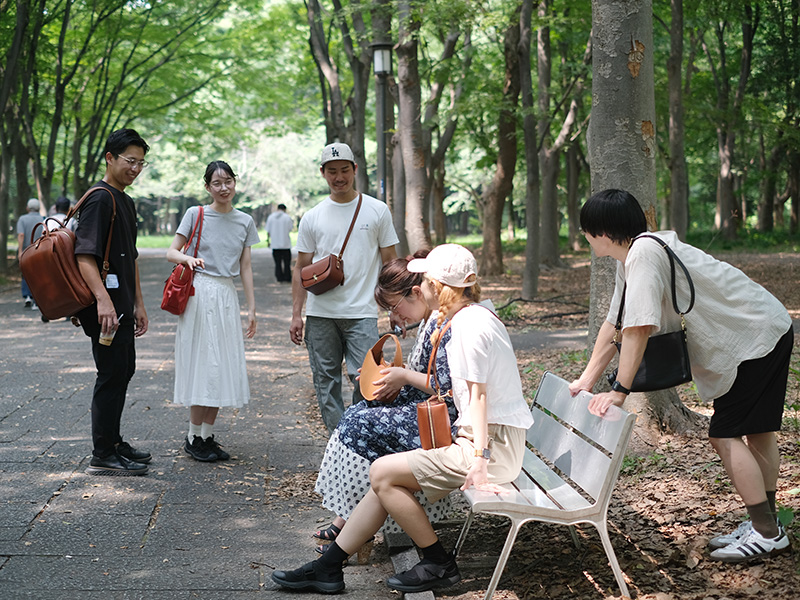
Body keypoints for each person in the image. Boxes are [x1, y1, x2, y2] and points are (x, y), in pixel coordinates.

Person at [273, 244, 534, 594]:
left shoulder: (469, 328)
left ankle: (438, 563)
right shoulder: (464, 319)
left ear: (439, 286)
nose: (419, 284)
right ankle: (328, 567)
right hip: (481, 439)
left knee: (382, 472)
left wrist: (480, 461)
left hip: (490, 448)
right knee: (386, 477)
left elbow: (478, 397)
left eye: (425, 279)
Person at [570, 188, 793, 564]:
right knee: (756, 431)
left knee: (724, 435)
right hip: (758, 332)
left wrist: (621, 389)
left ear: (603, 232)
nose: (585, 238)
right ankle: (765, 524)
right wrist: (586, 380)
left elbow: (638, 328)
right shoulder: (635, 254)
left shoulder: (643, 254)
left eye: (587, 231)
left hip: (754, 339)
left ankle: (767, 534)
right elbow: (616, 324)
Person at [313, 252, 459, 547]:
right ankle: (349, 519)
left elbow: (446, 387)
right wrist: (387, 376)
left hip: (445, 421)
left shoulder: (447, 324)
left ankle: (351, 522)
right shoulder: (432, 320)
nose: (394, 317)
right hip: (429, 411)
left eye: (394, 307)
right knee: (358, 413)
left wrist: (401, 377)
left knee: (359, 423)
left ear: (417, 292)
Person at [290, 142, 399, 432]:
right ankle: (339, 445)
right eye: (332, 172)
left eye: (344, 170)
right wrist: (296, 314)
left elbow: (390, 262)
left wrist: (394, 306)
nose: (339, 177)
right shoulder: (313, 216)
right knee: (325, 382)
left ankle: (357, 438)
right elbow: (301, 267)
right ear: (323, 173)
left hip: (361, 312)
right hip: (320, 313)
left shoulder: (377, 210)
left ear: (355, 170)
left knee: (367, 379)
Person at [166, 161, 259, 462]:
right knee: (205, 363)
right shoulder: (196, 214)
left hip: (226, 294)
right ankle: (193, 437)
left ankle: (206, 436)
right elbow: (171, 251)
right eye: (216, 183)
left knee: (222, 364)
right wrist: (187, 260)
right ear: (207, 187)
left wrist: (252, 308)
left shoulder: (245, 221)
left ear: (235, 183)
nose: (223, 188)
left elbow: (245, 266)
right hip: (200, 293)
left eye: (228, 181)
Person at [74, 128, 151, 476]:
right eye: (129, 161)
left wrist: (139, 304)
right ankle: (102, 453)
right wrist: (103, 301)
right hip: (104, 307)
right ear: (110, 158)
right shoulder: (101, 198)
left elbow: (130, 258)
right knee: (110, 372)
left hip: (121, 304)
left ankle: (114, 442)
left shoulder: (125, 200)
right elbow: (84, 256)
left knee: (123, 369)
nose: (134, 168)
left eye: (140, 163)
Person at [17, 198, 44, 309]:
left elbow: (21, 235)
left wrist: (20, 251)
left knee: (25, 273)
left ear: (27, 208)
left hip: (26, 250)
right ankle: (37, 299)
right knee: (38, 274)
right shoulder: (43, 219)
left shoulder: (22, 219)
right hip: (39, 251)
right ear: (38, 208)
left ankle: (28, 296)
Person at [265, 203, 294, 282]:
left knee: (277, 263)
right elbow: (290, 228)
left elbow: (268, 231)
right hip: (285, 244)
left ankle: (279, 277)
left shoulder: (271, 217)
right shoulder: (287, 217)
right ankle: (287, 277)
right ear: (284, 209)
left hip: (275, 244)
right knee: (287, 262)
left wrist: (268, 241)